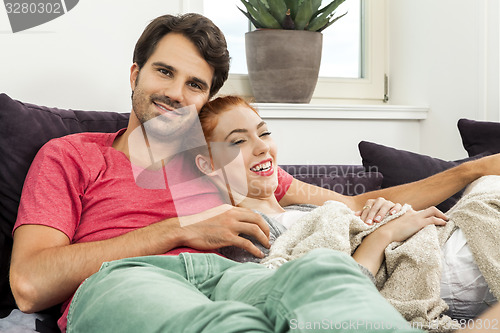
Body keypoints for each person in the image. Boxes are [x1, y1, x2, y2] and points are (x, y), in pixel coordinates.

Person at [8, 12, 500, 332]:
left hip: (228, 276)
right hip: (125, 280)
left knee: (325, 275)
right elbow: (29, 284)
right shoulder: (71, 154)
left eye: (195, 84)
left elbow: (348, 206)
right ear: (135, 73)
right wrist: (181, 229)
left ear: (205, 100)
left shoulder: (216, 159)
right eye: (164, 72)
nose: (176, 93)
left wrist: (471, 170)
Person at [193, 95, 498, 322]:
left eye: (264, 133)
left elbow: (354, 209)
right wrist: (385, 234)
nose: (261, 147)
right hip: (434, 268)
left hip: (441, 238)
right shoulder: (243, 230)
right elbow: (324, 296)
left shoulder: (302, 205)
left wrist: (384, 213)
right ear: (208, 165)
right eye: (237, 142)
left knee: (489, 182)